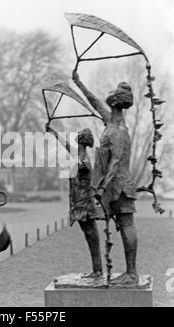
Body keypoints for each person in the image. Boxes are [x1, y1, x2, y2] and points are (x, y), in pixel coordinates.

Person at [72, 70, 138, 285]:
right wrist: (79, 82)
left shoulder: (119, 130)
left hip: (120, 185)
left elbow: (116, 161)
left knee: (126, 224)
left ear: (117, 103)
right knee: (121, 223)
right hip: (112, 185)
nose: (106, 101)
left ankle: (131, 272)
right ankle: (120, 271)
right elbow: (93, 102)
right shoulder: (109, 121)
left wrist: (102, 187)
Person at [46, 125, 102, 277]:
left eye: (79, 134)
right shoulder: (78, 155)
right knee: (89, 235)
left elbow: (83, 170)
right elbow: (66, 145)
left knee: (91, 236)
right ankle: (97, 269)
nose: (76, 135)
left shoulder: (83, 160)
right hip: (79, 204)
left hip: (84, 205)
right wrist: (53, 132)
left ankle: (98, 270)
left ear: (82, 139)